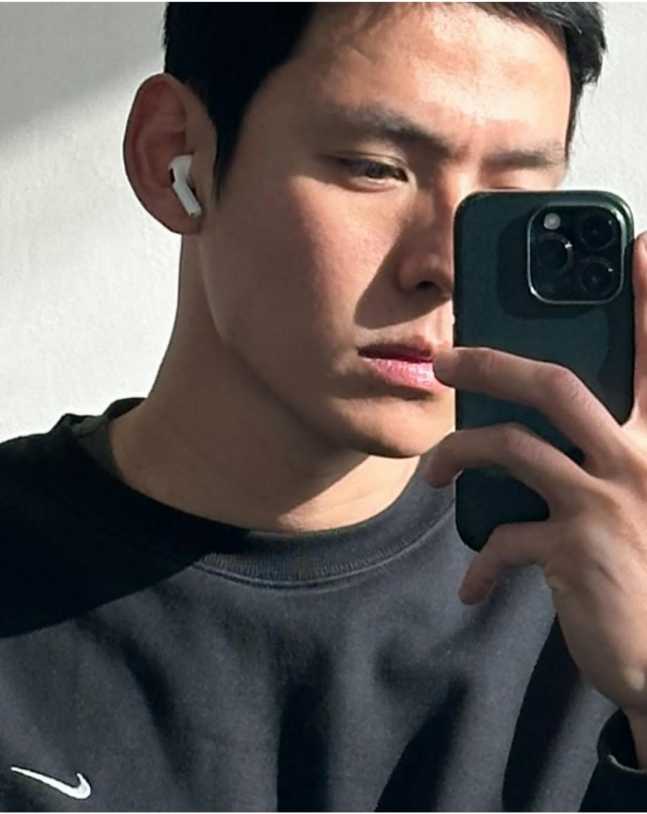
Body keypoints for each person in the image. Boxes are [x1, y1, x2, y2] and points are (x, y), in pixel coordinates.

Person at [3, 1, 647, 810]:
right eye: (374, 168)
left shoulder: (599, 594)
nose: (444, 266)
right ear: (172, 154)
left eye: (511, 194)